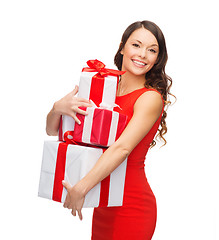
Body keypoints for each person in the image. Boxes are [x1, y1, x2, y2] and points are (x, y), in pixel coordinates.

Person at [46, 20, 173, 240]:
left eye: (152, 50)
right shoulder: (104, 88)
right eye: (136, 45)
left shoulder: (150, 98)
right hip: (104, 201)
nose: (142, 54)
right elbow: (52, 131)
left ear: (157, 59)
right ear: (122, 46)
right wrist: (57, 108)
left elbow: (122, 148)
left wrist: (82, 188)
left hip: (132, 205)